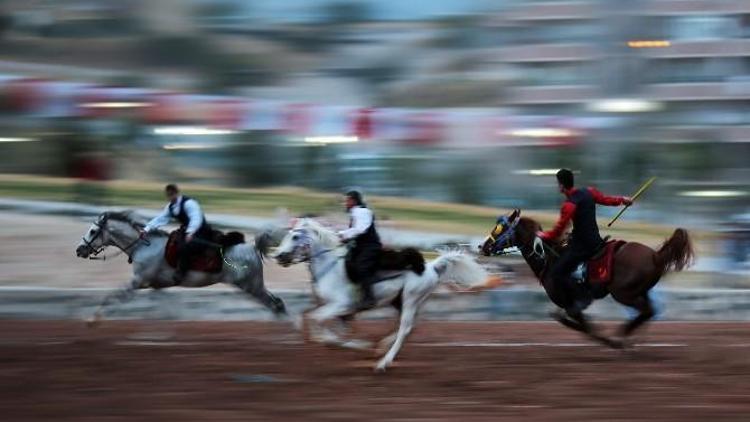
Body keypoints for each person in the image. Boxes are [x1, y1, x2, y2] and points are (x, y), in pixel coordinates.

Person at [537, 169, 632, 313]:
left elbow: (557, 231)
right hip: (595, 240)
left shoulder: (568, 205)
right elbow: (606, 200)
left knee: (557, 272)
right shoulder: (589, 191)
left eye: (558, 183)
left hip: (582, 246)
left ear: (561, 185)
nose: (558, 186)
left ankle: (582, 298)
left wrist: (543, 235)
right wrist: (622, 200)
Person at [141, 184, 212, 284]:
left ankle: (182, 273)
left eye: (171, 195)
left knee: (184, 247)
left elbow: (196, 218)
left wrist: (190, 232)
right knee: (171, 244)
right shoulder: (171, 206)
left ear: (177, 193)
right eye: (168, 195)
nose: (170, 197)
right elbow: (161, 219)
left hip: (201, 231)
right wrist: (146, 229)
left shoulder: (189, 203)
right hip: (187, 230)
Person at [338, 190, 382, 310]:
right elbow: (355, 232)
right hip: (361, 246)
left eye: (347, 201)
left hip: (370, 246)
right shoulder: (355, 212)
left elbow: (360, 230)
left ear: (353, 201)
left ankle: (369, 298)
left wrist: (342, 234)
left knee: (362, 267)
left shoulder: (362, 212)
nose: (345, 203)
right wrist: (345, 238)